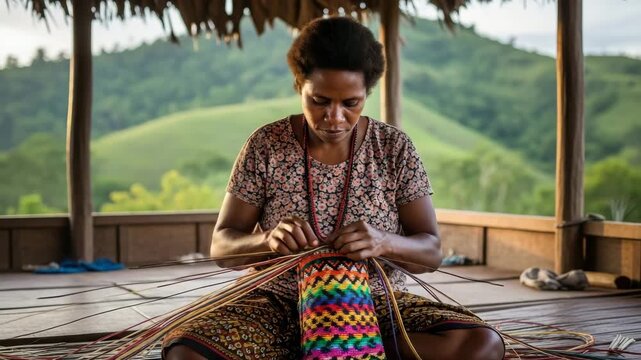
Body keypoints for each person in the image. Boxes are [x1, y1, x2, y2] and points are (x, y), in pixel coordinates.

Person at [163, 16, 505, 360]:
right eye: (320, 101)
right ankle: (339, 352)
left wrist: (384, 241)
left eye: (350, 103)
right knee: (186, 353)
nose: (335, 117)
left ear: (366, 94)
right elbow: (222, 246)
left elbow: (430, 253)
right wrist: (267, 240)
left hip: (373, 305)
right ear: (300, 86)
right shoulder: (267, 144)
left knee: (481, 345)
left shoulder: (393, 147)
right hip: (276, 304)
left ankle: (346, 349)